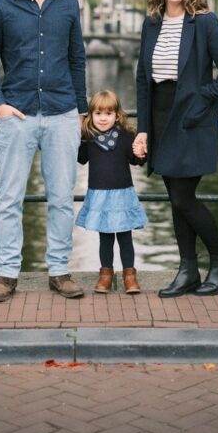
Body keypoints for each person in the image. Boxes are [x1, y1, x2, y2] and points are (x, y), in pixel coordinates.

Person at [0, 0, 87, 302]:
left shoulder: (69, 5)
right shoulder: (0, 5)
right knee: (9, 198)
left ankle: (59, 270)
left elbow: (77, 59)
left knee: (60, 197)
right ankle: (7, 273)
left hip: (61, 113)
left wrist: (81, 111)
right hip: (17, 114)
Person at [133, 0, 218, 298]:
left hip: (192, 118)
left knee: (184, 198)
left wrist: (202, 98)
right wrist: (142, 127)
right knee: (176, 199)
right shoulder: (151, 22)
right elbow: (142, 78)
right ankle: (188, 270)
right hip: (160, 117)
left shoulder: (205, 22)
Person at [76, 89, 148, 294]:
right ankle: (106, 274)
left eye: (108, 114)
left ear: (117, 115)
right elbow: (81, 158)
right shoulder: (88, 137)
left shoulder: (126, 136)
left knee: (125, 236)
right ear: (91, 116)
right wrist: (78, 135)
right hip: (99, 194)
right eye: (98, 114)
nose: (103, 118)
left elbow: (136, 160)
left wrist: (141, 153)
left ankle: (129, 275)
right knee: (105, 238)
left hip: (122, 193)